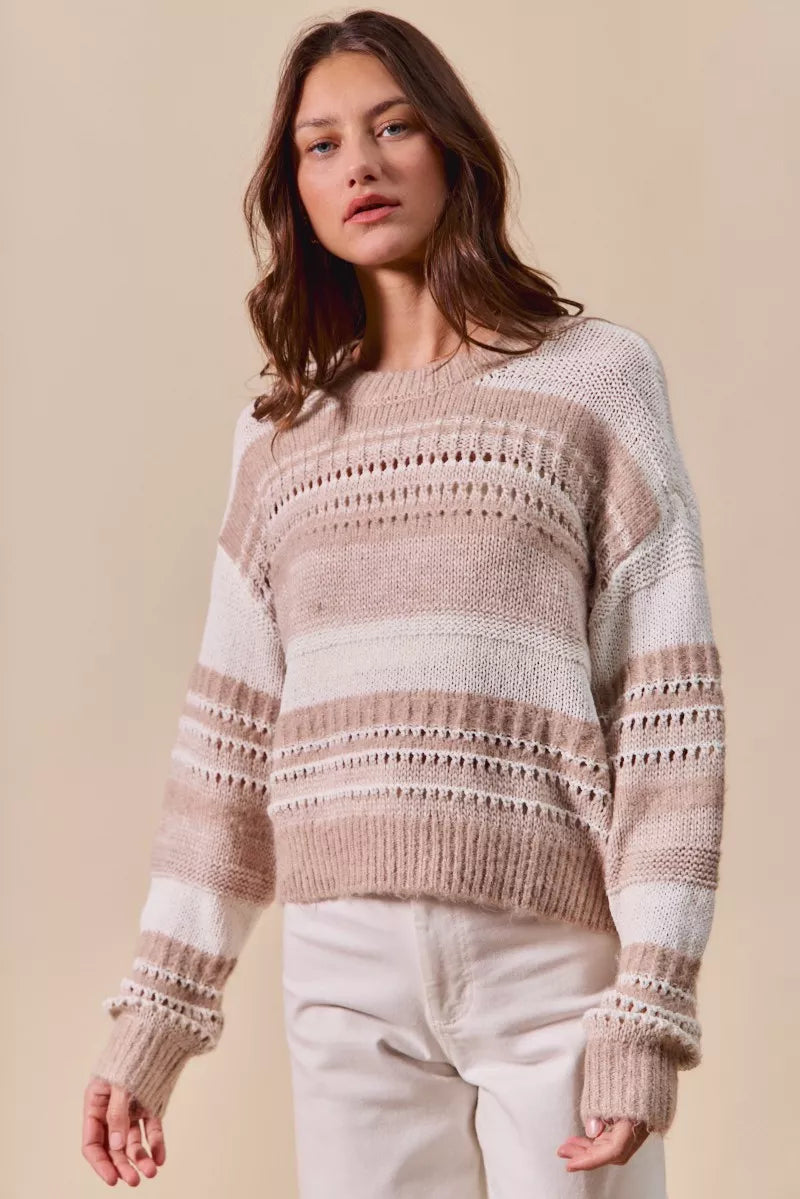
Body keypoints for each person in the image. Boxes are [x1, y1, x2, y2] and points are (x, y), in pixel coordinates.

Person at [82, 10, 726, 1195]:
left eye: (392, 127)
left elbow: (664, 711)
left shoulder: (593, 382)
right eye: (320, 145)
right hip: (343, 970)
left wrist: (649, 1002)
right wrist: (156, 1015)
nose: (360, 165)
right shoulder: (278, 436)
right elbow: (226, 746)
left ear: (451, 148)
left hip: (551, 957)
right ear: (294, 189)